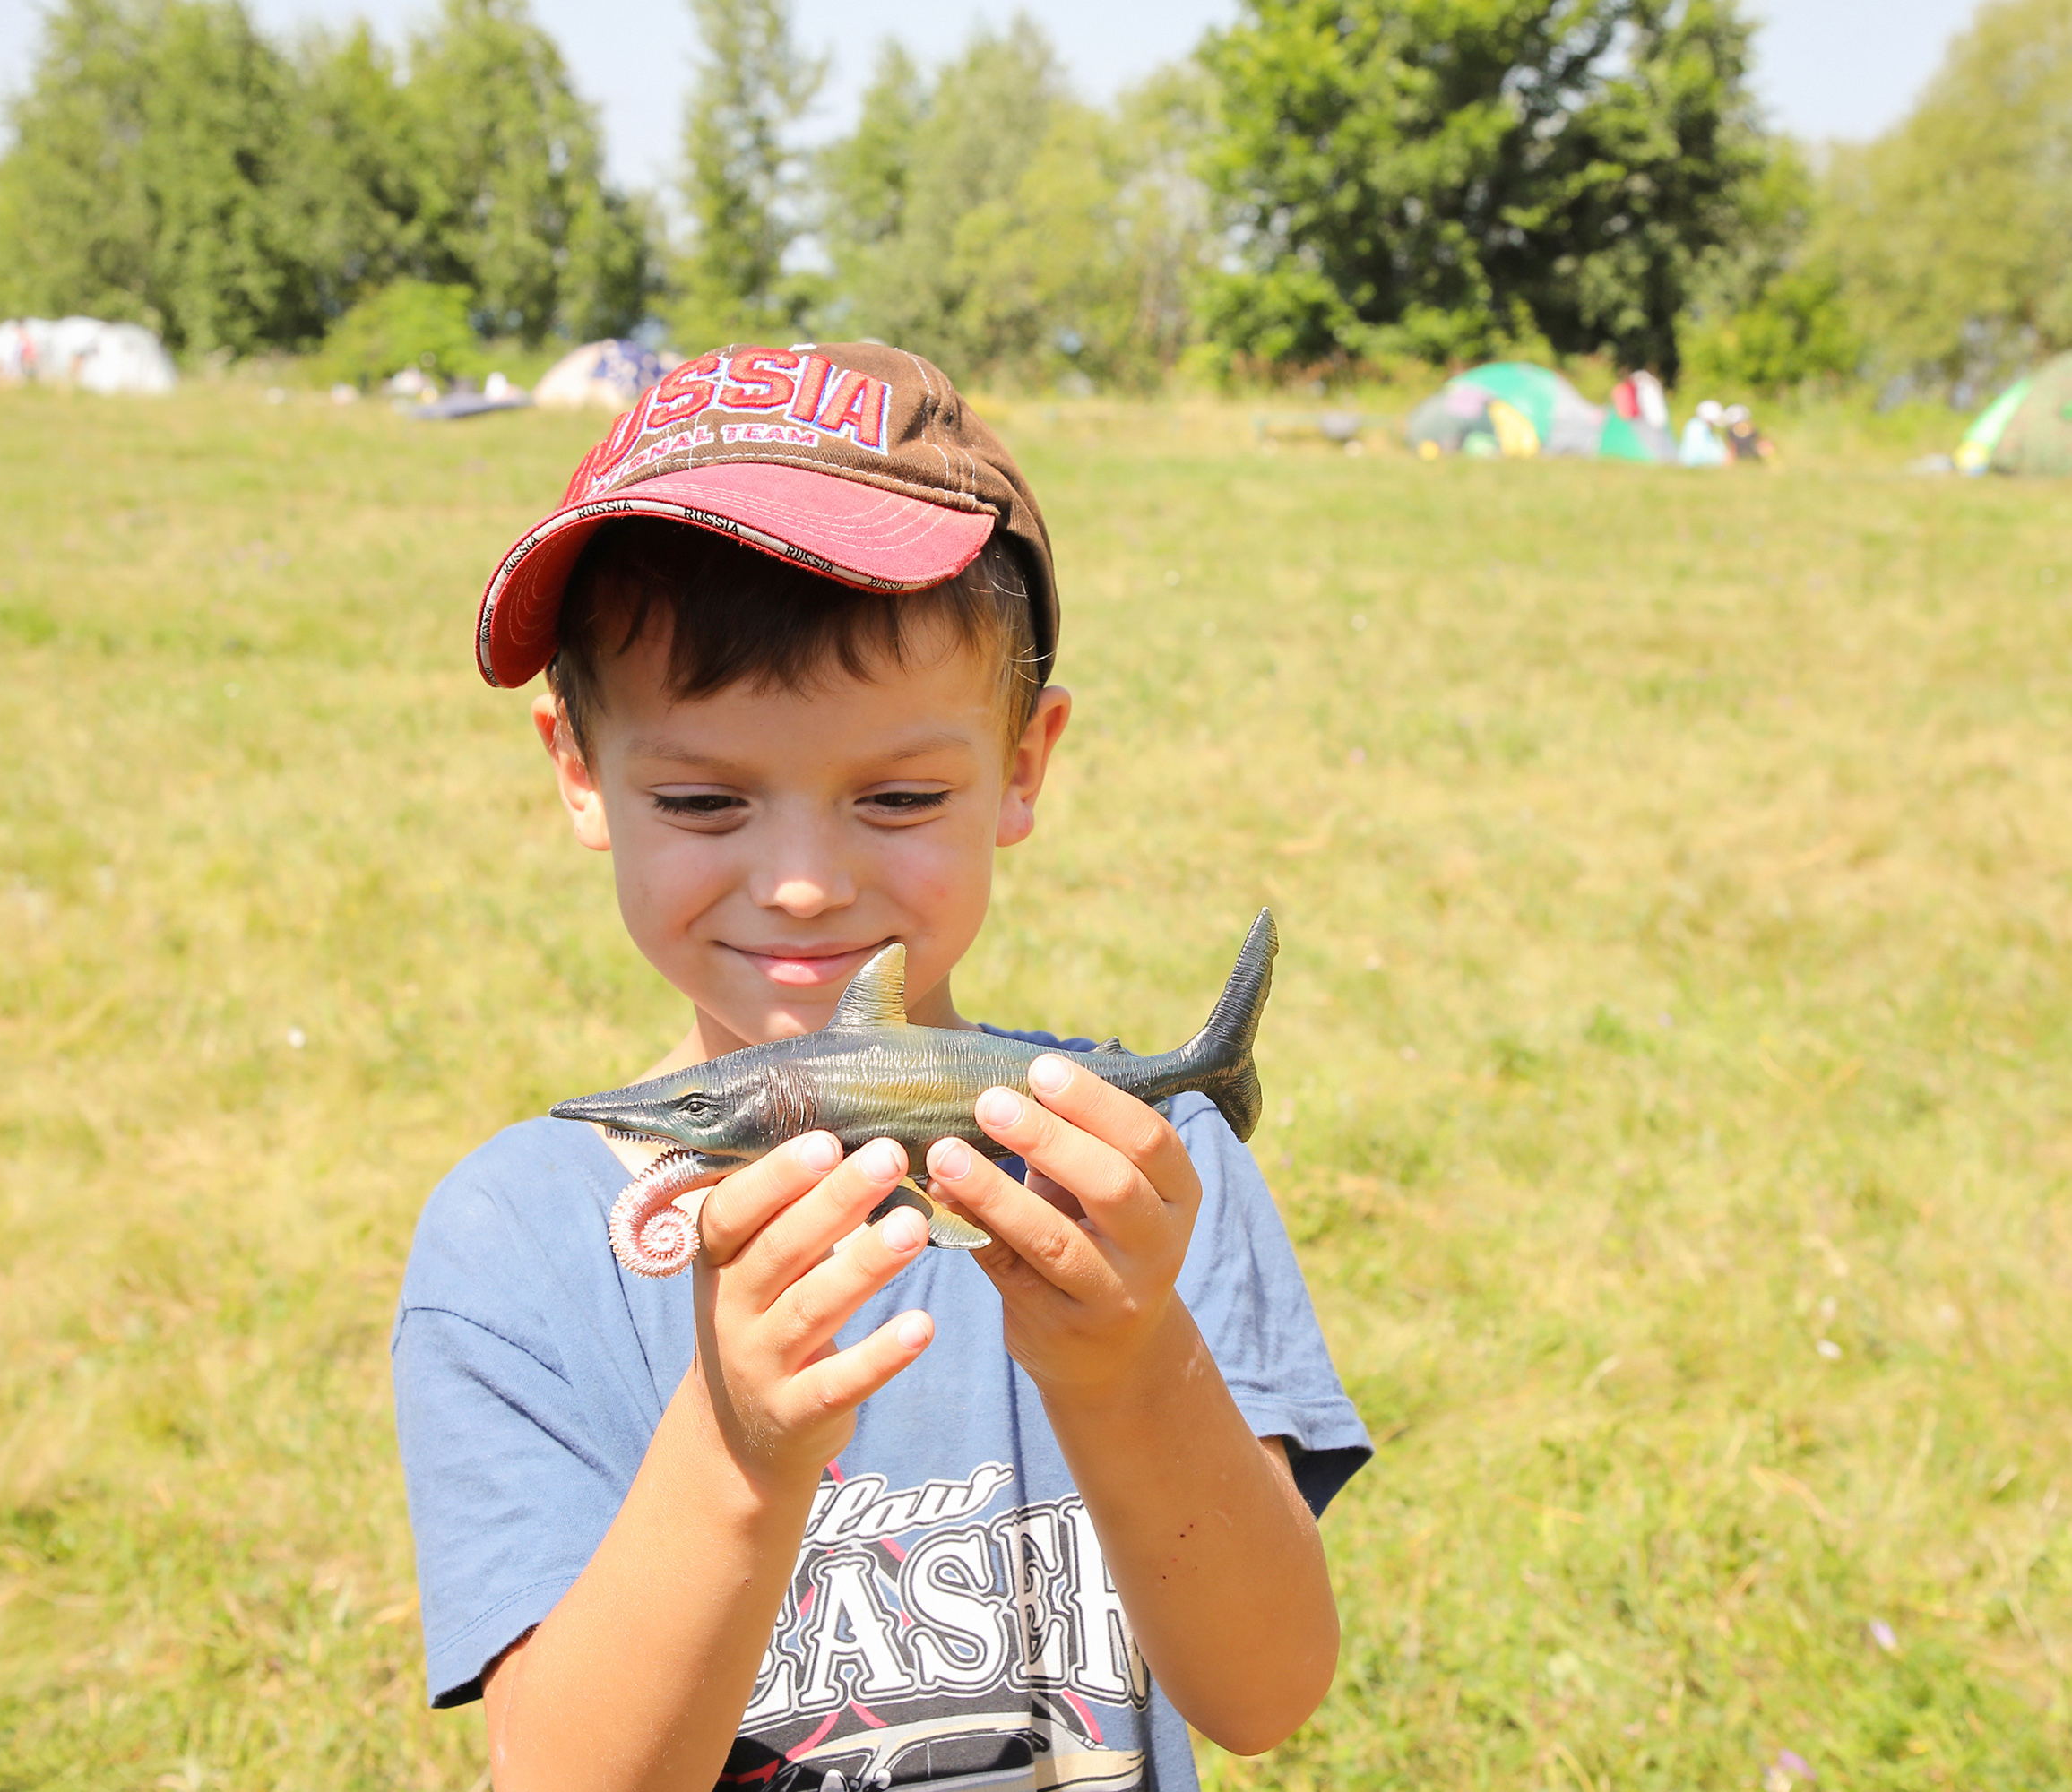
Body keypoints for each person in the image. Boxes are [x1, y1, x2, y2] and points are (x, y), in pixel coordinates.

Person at [394, 340, 1372, 1792]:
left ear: (1023, 763)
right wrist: (739, 1451)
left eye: (901, 795)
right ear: (580, 769)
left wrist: (1127, 1367)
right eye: (703, 798)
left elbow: (1266, 1689)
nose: (804, 885)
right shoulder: (514, 1247)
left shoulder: (1135, 1179)